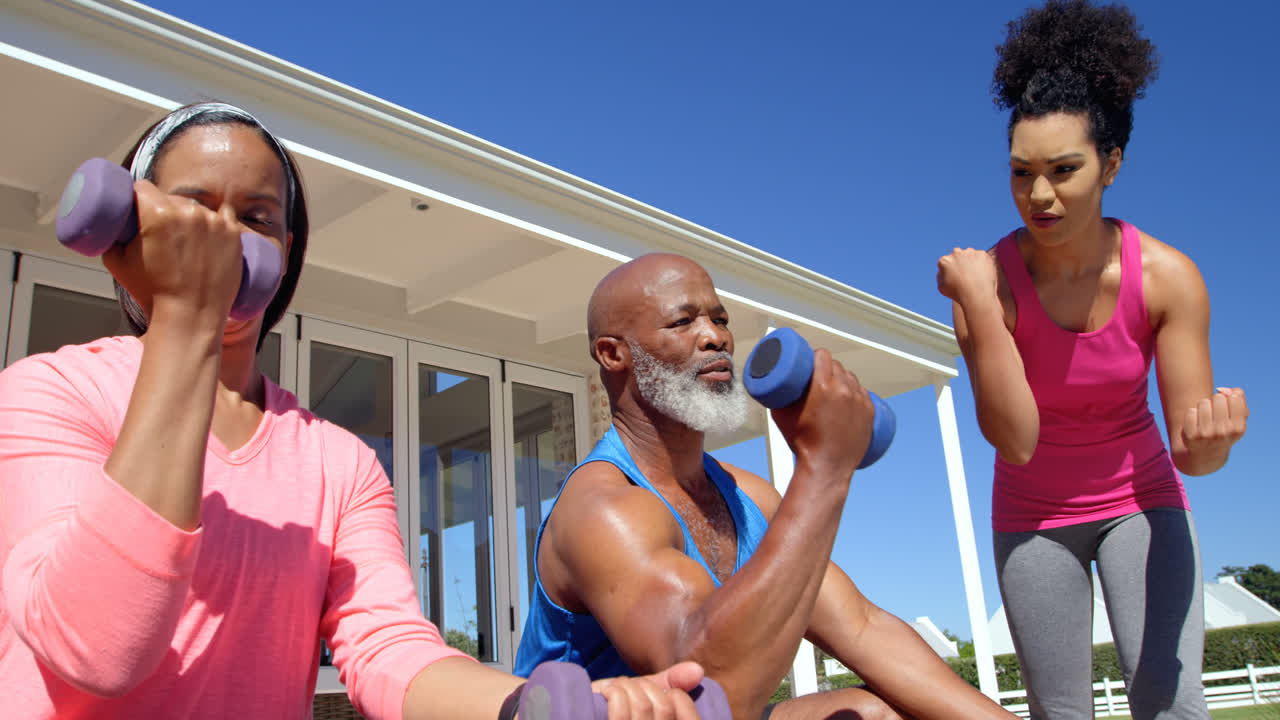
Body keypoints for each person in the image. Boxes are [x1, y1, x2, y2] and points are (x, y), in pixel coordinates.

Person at [0, 102, 706, 720]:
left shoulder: (339, 464)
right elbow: (92, 648)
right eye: (194, 209)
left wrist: (523, 707)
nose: (221, 238)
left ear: (286, 250)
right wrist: (186, 318)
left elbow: (388, 649)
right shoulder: (48, 393)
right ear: (136, 230)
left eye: (255, 218)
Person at [514, 253, 1017, 720]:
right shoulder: (604, 507)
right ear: (613, 354)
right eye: (684, 321)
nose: (716, 338)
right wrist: (822, 469)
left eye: (721, 319)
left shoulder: (747, 496)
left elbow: (864, 627)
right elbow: (707, 686)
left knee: (873, 713)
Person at [936, 2, 1250, 718]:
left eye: (1064, 169)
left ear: (1111, 164)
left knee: (1169, 700)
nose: (1039, 195)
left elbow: (1191, 455)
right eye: (1021, 172)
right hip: (1032, 512)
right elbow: (1015, 440)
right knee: (1060, 711)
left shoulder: (1169, 279)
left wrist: (1211, 449)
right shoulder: (986, 285)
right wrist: (982, 308)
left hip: (1142, 500)